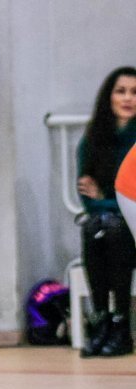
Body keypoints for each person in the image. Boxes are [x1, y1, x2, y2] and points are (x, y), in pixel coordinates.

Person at [76, 67, 136, 357]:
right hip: (109, 223)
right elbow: (86, 195)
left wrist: (105, 199)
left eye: (135, 93)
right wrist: (108, 203)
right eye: (121, 91)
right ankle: (102, 321)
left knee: (112, 226)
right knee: (95, 226)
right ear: (108, 97)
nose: (128, 98)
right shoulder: (92, 139)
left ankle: (121, 323)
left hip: (132, 226)